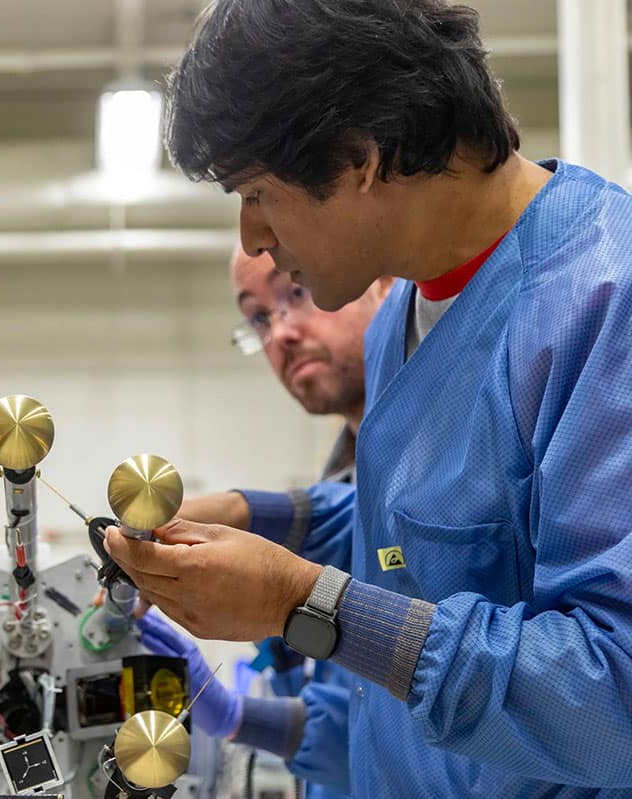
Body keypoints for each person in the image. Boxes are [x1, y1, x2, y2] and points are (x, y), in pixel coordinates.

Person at [106, 1, 632, 796]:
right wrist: (251, 518)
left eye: (255, 192)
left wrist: (301, 603)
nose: (252, 238)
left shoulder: (603, 302)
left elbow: (612, 694)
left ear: (359, 156)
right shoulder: (399, 323)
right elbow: (438, 535)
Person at [141, 248, 388, 799]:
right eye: (258, 317)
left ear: (388, 281)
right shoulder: (350, 475)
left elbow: (417, 736)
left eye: (296, 291)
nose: (280, 333)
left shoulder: (446, 460)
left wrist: (234, 717)